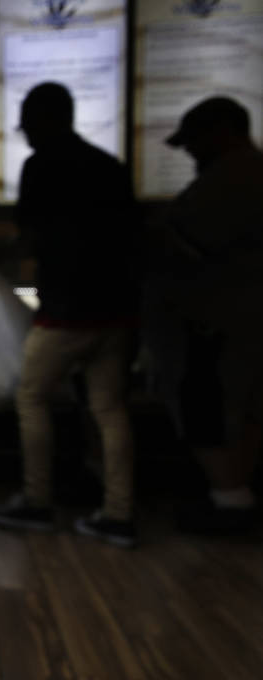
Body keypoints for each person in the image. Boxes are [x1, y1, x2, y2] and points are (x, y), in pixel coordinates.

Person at [0, 82, 140, 547]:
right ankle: (119, 513)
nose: (26, 134)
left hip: (66, 308)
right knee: (109, 408)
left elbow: (32, 237)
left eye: (28, 125)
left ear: (45, 120)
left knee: (31, 397)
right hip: (116, 308)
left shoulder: (42, 165)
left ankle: (37, 502)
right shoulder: (108, 166)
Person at [148, 96, 263, 533]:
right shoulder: (246, 172)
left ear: (223, 133)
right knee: (239, 409)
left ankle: (231, 502)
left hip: (216, 326)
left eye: (194, 140)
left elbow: (177, 243)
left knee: (212, 411)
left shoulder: (233, 179)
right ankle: (234, 496)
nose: (190, 151)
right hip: (235, 323)